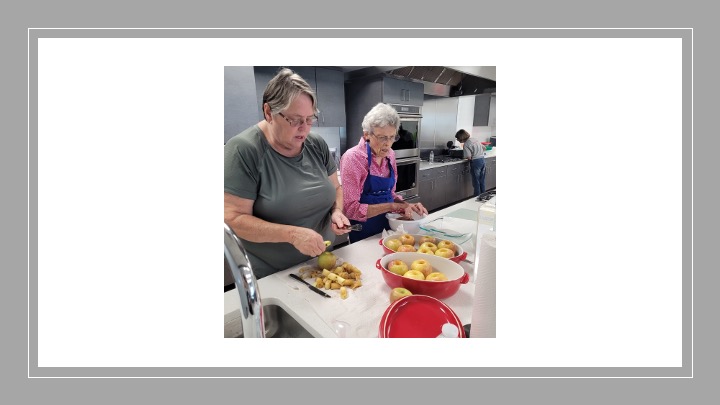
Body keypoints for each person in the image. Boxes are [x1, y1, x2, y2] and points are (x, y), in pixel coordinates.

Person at [224, 68, 351, 279]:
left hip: (323, 264)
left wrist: (337, 211)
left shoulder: (316, 144)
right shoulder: (243, 150)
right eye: (295, 120)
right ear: (268, 113)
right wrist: (292, 235)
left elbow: (336, 188)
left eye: (310, 119)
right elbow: (232, 219)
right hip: (275, 276)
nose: (304, 129)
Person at [340, 103, 428, 243]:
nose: (388, 143)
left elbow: (390, 194)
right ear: (367, 134)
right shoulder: (353, 159)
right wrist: (392, 206)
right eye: (382, 138)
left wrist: (405, 205)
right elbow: (350, 209)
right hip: (363, 235)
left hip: (389, 232)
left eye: (392, 137)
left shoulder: (390, 155)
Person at [455, 129, 486, 196]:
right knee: (481, 180)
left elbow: (468, 157)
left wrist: (464, 156)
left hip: (476, 162)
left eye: (458, 138)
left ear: (461, 138)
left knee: (476, 181)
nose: (457, 140)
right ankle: (483, 196)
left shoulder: (466, 144)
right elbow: (484, 148)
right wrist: (477, 151)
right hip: (482, 160)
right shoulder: (475, 139)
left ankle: (477, 197)